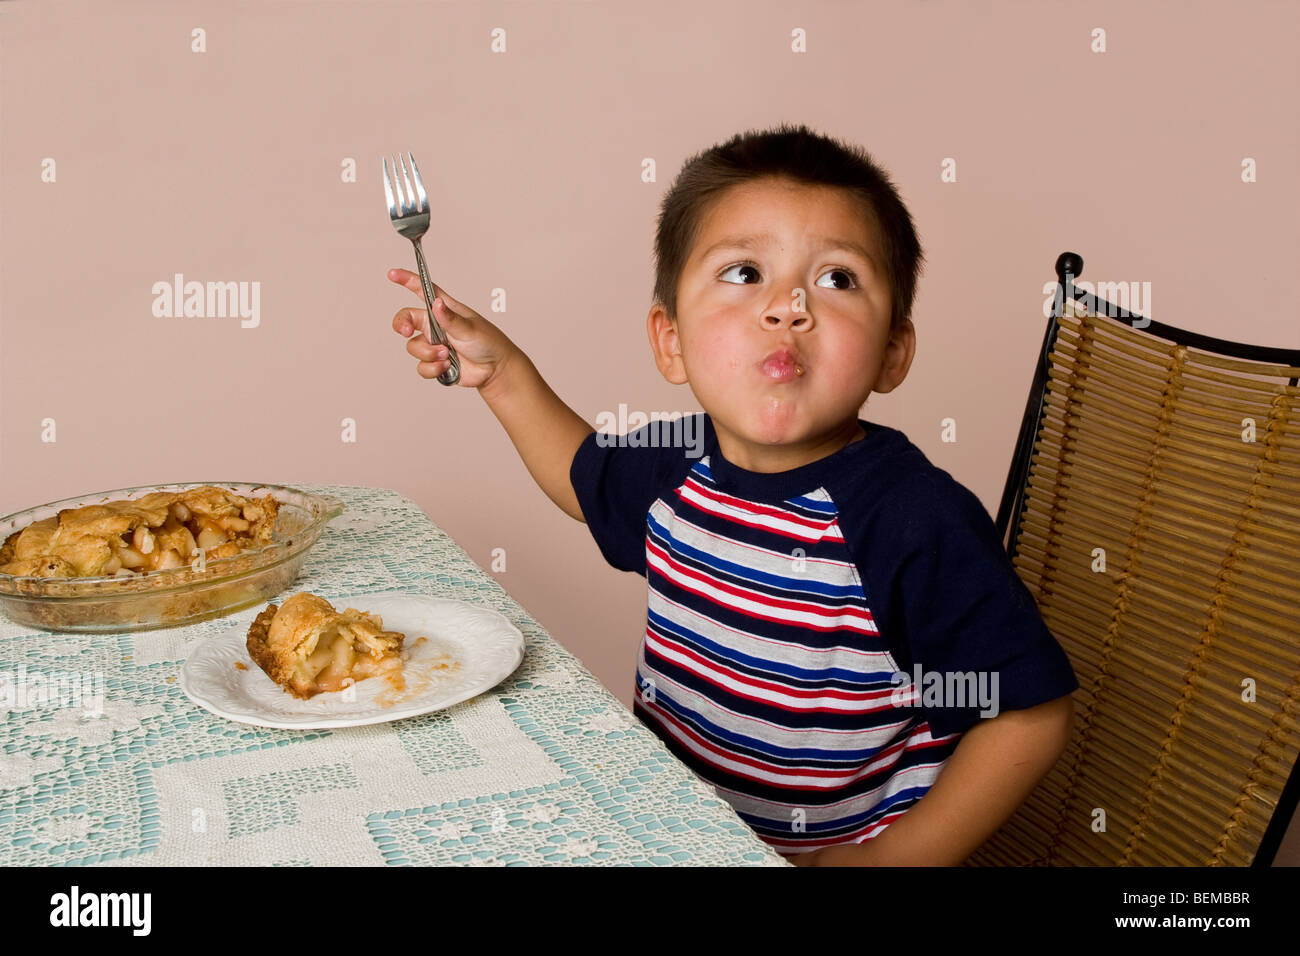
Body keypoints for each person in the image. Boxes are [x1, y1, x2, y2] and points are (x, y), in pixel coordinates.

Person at [385, 123, 1077, 866]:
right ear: (671, 341)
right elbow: (584, 478)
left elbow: (1028, 714)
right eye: (745, 273)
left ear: (893, 352)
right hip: (668, 839)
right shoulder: (678, 460)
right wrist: (505, 374)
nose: (788, 307)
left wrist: (889, 861)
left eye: (837, 279)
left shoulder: (912, 519)